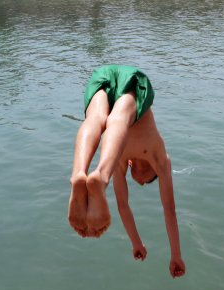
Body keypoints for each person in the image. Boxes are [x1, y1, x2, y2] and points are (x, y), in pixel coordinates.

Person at [68, 65, 186, 278]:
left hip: (102, 75)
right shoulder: (160, 158)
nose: (141, 182)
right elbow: (169, 209)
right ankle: (100, 177)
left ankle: (79, 174)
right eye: (148, 181)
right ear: (153, 172)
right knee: (118, 119)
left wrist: (136, 242)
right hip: (132, 82)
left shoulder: (121, 160)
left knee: (95, 119)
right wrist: (175, 254)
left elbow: (123, 206)